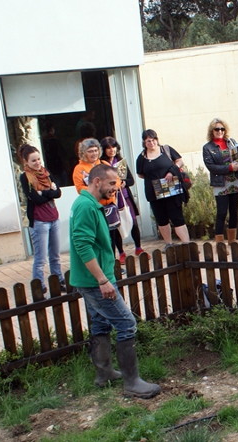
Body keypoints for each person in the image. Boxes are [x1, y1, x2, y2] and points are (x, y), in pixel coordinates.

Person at [69, 163, 160, 399]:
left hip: (95, 279)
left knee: (100, 323)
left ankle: (105, 373)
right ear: (97, 181)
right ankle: (132, 383)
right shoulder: (86, 207)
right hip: (94, 281)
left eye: (117, 186)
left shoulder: (90, 204)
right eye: (111, 184)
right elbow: (82, 245)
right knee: (126, 323)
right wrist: (101, 280)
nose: (114, 190)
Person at [19, 145, 65, 293]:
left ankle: (59, 280)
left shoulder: (46, 173)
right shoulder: (25, 177)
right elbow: (34, 199)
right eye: (33, 161)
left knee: (55, 255)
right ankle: (39, 286)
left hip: (53, 218)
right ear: (26, 162)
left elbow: (58, 193)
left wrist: (44, 192)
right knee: (40, 259)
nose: (38, 163)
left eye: (38, 159)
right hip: (39, 222)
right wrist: (49, 191)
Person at [135, 129, 191, 248]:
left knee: (177, 217)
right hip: (154, 193)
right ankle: (168, 244)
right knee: (161, 219)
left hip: (171, 189)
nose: (152, 143)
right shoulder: (141, 157)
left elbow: (180, 161)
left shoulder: (166, 150)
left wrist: (171, 172)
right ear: (144, 143)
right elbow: (140, 174)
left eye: (154, 139)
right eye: (148, 141)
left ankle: (187, 243)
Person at [100, 137, 147, 263]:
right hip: (111, 200)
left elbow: (131, 180)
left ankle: (138, 248)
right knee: (115, 226)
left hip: (125, 197)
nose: (111, 150)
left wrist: (123, 183)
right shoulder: (101, 164)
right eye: (108, 148)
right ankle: (121, 252)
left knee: (133, 221)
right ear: (104, 150)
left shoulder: (120, 162)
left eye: (113, 147)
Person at [73, 138, 122, 257]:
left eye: (95, 150)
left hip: (109, 205)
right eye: (90, 151)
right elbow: (80, 188)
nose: (94, 153)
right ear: (83, 153)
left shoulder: (104, 164)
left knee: (112, 237)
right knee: (100, 238)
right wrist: (98, 189)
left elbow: (117, 180)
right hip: (95, 207)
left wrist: (113, 187)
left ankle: (114, 263)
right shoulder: (79, 169)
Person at [202, 118, 238, 246]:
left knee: (234, 211)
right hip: (221, 183)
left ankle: (232, 240)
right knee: (222, 212)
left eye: (222, 129)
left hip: (235, 181)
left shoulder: (232, 142)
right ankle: (220, 243)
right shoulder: (207, 148)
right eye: (217, 129)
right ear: (212, 131)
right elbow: (211, 166)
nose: (220, 131)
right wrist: (229, 168)